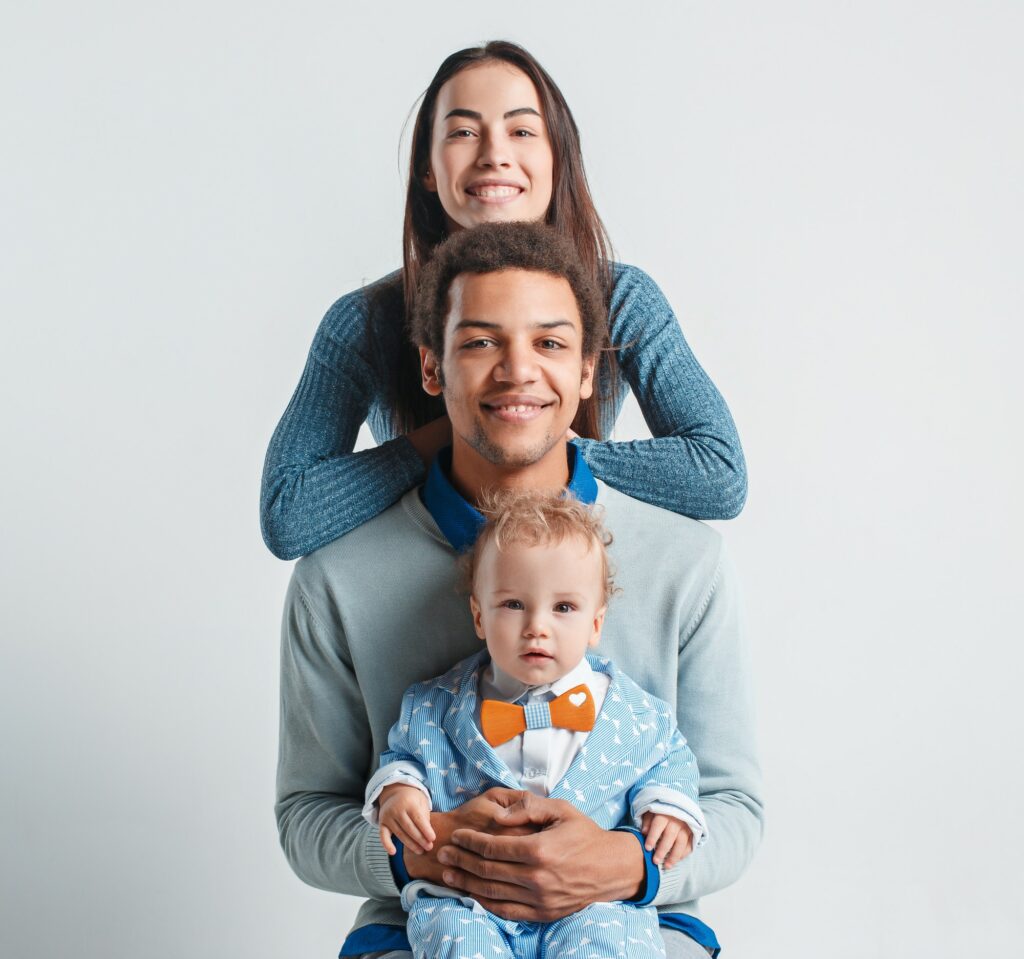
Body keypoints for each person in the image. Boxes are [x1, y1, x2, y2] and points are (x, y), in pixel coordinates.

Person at [275, 221, 762, 959]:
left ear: (589, 369)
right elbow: (307, 814)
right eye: (479, 342)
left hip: (639, 921)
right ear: (432, 369)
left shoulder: (687, 562)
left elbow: (735, 804)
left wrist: (629, 862)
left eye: (551, 343)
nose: (517, 370)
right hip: (423, 923)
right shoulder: (335, 579)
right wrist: (424, 851)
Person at [260, 40, 747, 561]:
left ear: (556, 157)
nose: (494, 154)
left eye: (521, 131)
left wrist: (540, 440)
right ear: (427, 166)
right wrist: (475, 428)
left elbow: (718, 474)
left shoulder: (621, 298)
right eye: (465, 132)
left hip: (568, 578)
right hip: (424, 569)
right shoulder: (366, 322)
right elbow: (290, 513)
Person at [364, 490, 708, 959]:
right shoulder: (435, 705)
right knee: (450, 933)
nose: (537, 627)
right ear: (479, 615)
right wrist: (400, 791)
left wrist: (669, 809)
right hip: (471, 900)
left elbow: (670, 759)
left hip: (591, 901)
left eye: (563, 608)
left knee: (613, 942)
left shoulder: (635, 714)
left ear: (595, 624)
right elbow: (403, 757)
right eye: (513, 605)